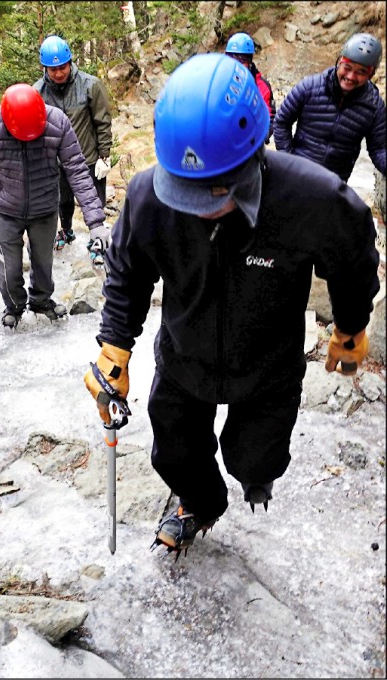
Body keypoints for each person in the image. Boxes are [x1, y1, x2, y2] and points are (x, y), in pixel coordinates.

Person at [83, 54, 379, 559]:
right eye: (185, 189)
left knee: (256, 459)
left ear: (254, 154)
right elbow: (128, 272)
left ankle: (253, 478)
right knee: (175, 452)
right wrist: (115, 344)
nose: (195, 204)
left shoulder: (314, 200)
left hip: (268, 366)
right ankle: (198, 503)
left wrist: (349, 327)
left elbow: (353, 265)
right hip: (184, 355)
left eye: (213, 190)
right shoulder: (149, 197)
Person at [0, 83, 109, 328]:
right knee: (9, 269)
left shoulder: (58, 123)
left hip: (44, 207)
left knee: (43, 263)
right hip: (5, 210)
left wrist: (95, 221)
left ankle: (42, 301)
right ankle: (14, 306)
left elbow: (77, 170)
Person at [33, 35, 113, 252]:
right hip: (55, 161)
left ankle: (96, 237)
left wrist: (104, 155)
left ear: (70, 62)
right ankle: (66, 231)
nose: (59, 73)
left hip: (87, 157)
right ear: (45, 68)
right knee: (62, 201)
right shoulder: (37, 92)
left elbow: (102, 121)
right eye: (53, 69)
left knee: (94, 200)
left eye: (62, 67)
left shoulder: (91, 85)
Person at [273, 33, 386, 183]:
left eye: (361, 72)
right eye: (347, 67)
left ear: (371, 74)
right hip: (296, 175)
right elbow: (281, 122)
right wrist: (288, 160)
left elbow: (379, 149)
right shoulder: (309, 87)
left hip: (333, 185)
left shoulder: (374, 107)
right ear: (339, 62)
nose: (351, 76)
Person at [224, 32, 276, 143]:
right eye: (232, 58)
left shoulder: (262, 86)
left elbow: (270, 120)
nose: (236, 64)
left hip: (250, 144)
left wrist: (255, 139)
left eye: (242, 60)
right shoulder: (219, 81)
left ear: (249, 61)